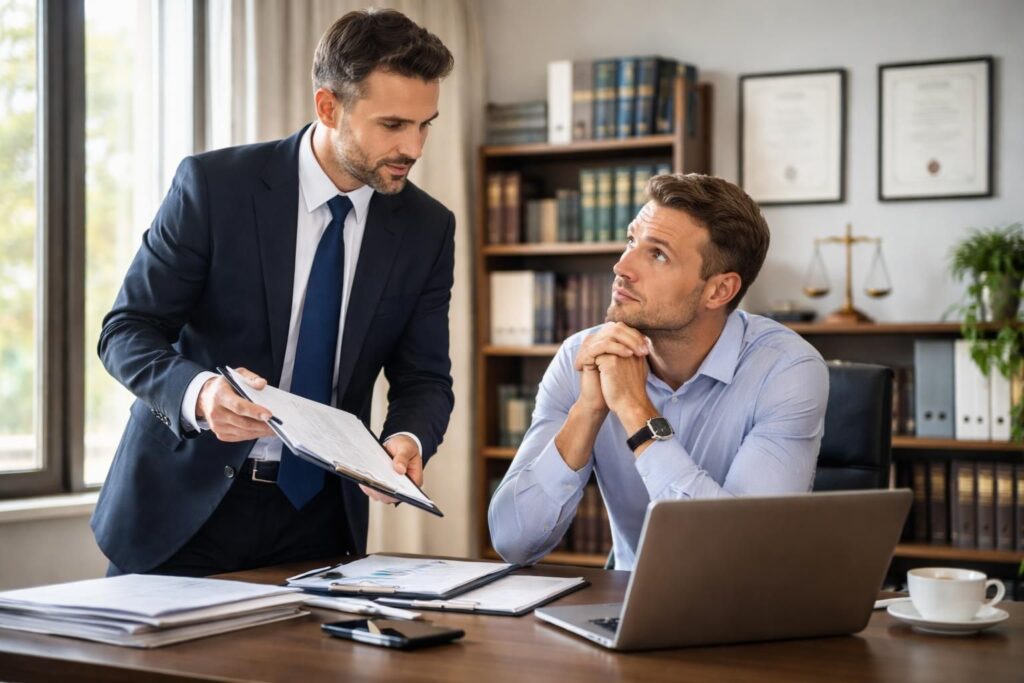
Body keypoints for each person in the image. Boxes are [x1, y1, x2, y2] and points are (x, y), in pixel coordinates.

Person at [92, 9, 456, 576]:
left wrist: (406, 439)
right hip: (182, 509)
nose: (414, 146)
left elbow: (424, 377)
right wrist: (200, 393)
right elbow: (125, 331)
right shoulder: (215, 187)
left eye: (425, 124)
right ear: (329, 106)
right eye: (392, 125)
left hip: (320, 518)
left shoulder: (428, 228)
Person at [488, 173, 829, 570]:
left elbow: (738, 555)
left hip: (750, 616)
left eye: (658, 255)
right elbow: (513, 542)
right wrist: (588, 409)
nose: (622, 266)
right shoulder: (581, 357)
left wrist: (636, 410)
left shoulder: (787, 370)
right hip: (625, 609)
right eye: (632, 241)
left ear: (718, 290)